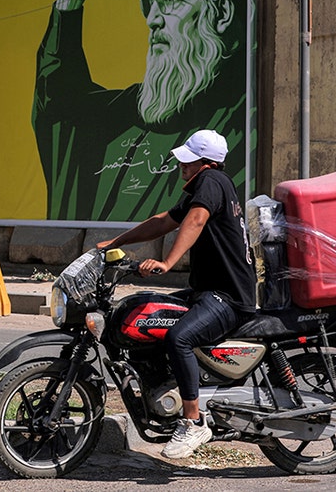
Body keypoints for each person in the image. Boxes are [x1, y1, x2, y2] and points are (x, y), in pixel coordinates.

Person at [34, 0, 248, 222]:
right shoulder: (132, 113)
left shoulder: (237, 130)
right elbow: (61, 109)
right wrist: (69, 3)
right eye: (152, 3)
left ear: (222, 13)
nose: (153, 21)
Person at [97, 129, 256, 459]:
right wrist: (117, 243)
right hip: (208, 292)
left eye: (188, 161)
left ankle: (193, 421)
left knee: (179, 338)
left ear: (206, 162)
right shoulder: (205, 186)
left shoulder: (211, 182)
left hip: (228, 297)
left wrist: (168, 261)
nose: (181, 166)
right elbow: (163, 221)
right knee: (146, 311)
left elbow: (196, 221)